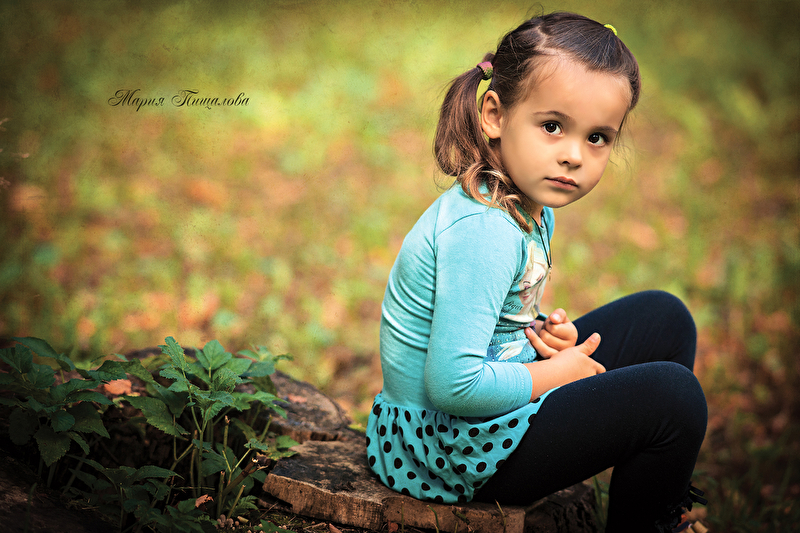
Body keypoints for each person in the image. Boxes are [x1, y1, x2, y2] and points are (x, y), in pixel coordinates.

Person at [366, 12, 707, 532]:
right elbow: (452, 386)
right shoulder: (483, 230)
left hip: (476, 424)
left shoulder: (524, 200)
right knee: (673, 400)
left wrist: (543, 336)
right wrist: (557, 372)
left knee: (665, 318)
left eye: (598, 137)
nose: (573, 156)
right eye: (553, 126)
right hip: (446, 451)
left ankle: (653, 499)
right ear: (494, 115)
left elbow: (497, 319)